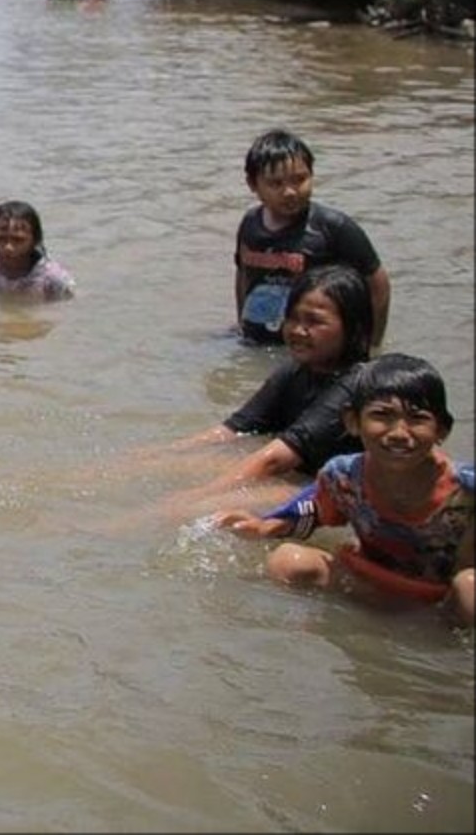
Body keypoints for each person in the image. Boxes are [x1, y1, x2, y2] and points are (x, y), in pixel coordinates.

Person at [212, 354, 474, 626]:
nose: (399, 432)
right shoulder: (344, 475)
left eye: (417, 419)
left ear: (442, 430)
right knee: (288, 560)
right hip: (368, 582)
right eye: (381, 416)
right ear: (352, 421)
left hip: (440, 603)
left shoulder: (468, 488)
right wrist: (267, 526)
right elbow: (314, 508)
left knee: (470, 586)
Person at [173, 264, 376, 498]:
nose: (298, 330)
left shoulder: (357, 385)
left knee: (204, 506)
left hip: (338, 494)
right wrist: (153, 456)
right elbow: (233, 430)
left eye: (314, 321)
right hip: (296, 476)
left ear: (354, 328)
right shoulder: (294, 371)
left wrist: (194, 497)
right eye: (292, 318)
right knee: (183, 463)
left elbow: (273, 461)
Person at [233, 128, 390, 347]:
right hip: (258, 338)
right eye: (276, 184)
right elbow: (243, 275)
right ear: (253, 184)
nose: (290, 192)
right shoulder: (250, 224)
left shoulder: (333, 227)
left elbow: (377, 283)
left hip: (311, 347)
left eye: (299, 179)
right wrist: (241, 322)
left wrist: (371, 345)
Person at [0, 200, 76, 300]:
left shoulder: (53, 279)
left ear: (35, 241)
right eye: (1, 239)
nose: (8, 247)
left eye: (18, 240)